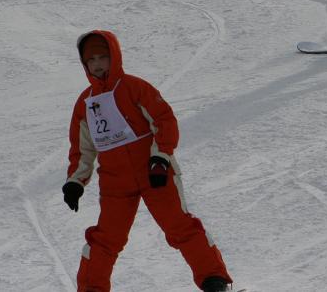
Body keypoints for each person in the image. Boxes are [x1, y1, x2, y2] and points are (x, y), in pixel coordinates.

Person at [63, 30, 232, 292]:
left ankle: (215, 281)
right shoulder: (85, 103)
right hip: (115, 181)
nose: (97, 64)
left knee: (179, 226)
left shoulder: (134, 87)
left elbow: (164, 121)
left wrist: (160, 158)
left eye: (102, 57)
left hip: (154, 173)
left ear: (114, 57)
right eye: (91, 60)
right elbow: (82, 148)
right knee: (106, 238)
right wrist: (75, 181)